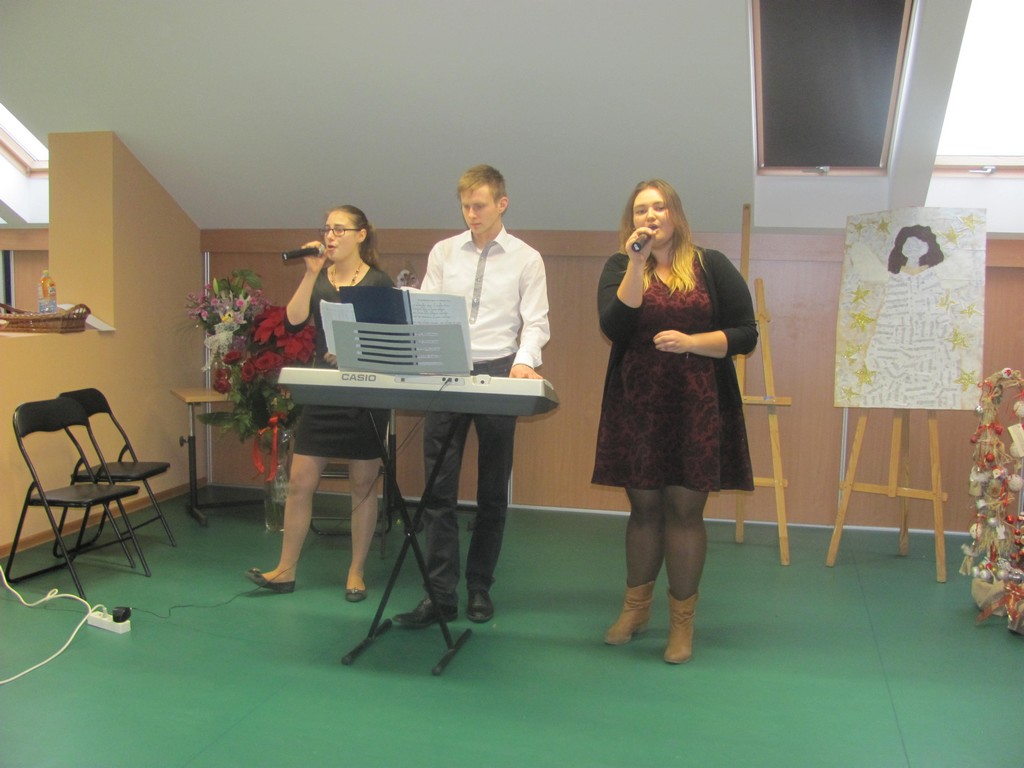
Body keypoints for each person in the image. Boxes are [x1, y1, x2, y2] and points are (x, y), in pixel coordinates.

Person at [592, 179, 757, 664]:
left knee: (685, 512)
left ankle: (682, 624)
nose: (651, 215)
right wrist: (637, 262)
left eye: (660, 207)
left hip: (697, 406)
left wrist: (692, 342)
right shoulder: (620, 265)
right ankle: (635, 610)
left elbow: (746, 333)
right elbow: (615, 326)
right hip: (637, 406)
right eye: (641, 209)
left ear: (676, 214)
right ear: (632, 220)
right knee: (643, 510)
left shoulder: (711, 264)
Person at [393, 164, 550, 628]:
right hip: (449, 367)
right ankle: (440, 594)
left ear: (502, 204)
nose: (471, 214)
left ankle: (480, 586)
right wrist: (425, 354)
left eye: (479, 205)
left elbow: (536, 320)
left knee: (492, 489)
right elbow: (427, 308)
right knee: (437, 487)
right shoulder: (444, 251)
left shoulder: (527, 258)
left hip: (501, 369)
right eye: (465, 206)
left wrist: (524, 361)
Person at [246, 204, 393, 600]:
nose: (330, 236)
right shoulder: (321, 277)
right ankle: (285, 570)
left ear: (361, 235)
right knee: (300, 481)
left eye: (340, 229)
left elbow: (388, 340)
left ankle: (356, 572)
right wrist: (310, 273)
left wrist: (354, 353)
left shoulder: (378, 282)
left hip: (365, 392)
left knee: (362, 484)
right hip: (325, 390)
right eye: (327, 228)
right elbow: (293, 320)